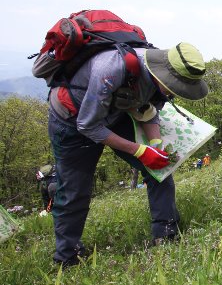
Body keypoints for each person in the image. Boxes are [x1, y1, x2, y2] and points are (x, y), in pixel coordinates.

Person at [47, 41, 209, 267]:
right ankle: (67, 257)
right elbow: (88, 126)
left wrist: (155, 143)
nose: (174, 93)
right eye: (172, 87)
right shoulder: (111, 69)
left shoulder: (159, 78)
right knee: (75, 191)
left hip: (115, 112)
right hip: (73, 120)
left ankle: (166, 236)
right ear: (163, 74)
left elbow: (148, 109)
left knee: (158, 170)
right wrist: (140, 150)